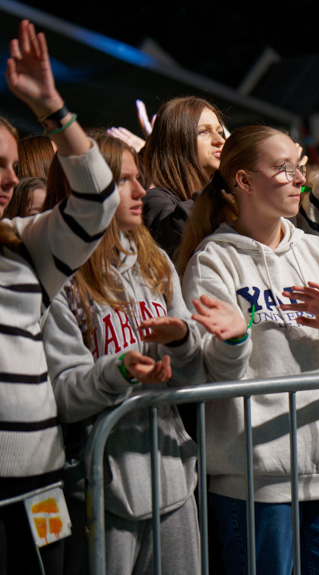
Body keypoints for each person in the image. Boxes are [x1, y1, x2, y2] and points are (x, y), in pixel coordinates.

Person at [176, 124, 319, 575]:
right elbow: (217, 375)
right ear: (243, 181)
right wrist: (235, 339)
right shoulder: (214, 260)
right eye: (283, 169)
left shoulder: (318, 253)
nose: (299, 179)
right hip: (254, 479)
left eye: (298, 167)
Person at [42, 133, 249, 574]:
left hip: (172, 479)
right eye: (122, 181)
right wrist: (119, 371)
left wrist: (181, 341)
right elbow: (61, 394)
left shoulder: (155, 264)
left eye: (139, 178)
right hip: (99, 486)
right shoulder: (59, 276)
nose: (141, 191)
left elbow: (191, 382)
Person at [0, 20, 120, 575]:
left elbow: (97, 199)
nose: (7, 178)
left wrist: (52, 106)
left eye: (9, 165)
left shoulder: (25, 244)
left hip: (42, 481)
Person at [142, 96, 226, 256]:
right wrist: (224, 181)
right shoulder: (153, 200)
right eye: (204, 132)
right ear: (177, 143)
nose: (219, 140)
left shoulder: (231, 199)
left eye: (220, 132)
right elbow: (180, 231)